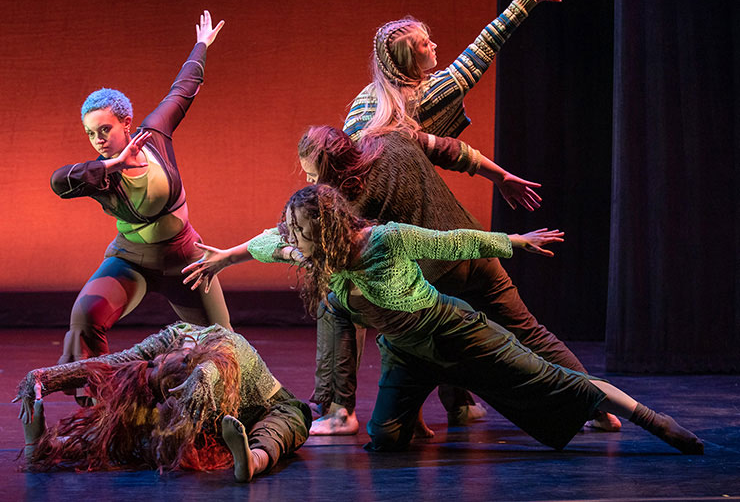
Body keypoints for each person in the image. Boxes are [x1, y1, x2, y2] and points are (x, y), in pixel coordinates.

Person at [184, 185, 704, 456]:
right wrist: (222, 258)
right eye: (291, 231)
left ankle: (653, 421)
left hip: (454, 331)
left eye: (299, 230)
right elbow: (264, 243)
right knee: (385, 441)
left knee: (552, 380)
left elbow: (453, 240)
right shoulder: (311, 253)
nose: (290, 239)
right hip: (407, 353)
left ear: (328, 229)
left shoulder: (384, 239)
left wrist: (516, 242)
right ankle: (416, 414)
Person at [290, 125, 620, 433]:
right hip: (477, 253)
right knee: (532, 334)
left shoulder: (349, 205)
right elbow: (450, 149)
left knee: (349, 310)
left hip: (438, 274)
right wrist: (501, 176)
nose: (309, 181)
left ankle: (345, 411)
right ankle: (602, 410)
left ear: (333, 172)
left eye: (313, 174)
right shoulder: (391, 139)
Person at [50, 11, 231, 380]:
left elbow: (182, 90)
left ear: (126, 123)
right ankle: (102, 411)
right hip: (130, 260)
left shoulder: (156, 134)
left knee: (222, 343)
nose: (98, 139)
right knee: (84, 317)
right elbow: (58, 182)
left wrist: (201, 45)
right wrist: (111, 166)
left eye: (104, 128)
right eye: (90, 133)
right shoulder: (99, 174)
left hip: (183, 258)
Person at [15, 322, 311, 481]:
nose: (151, 363)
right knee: (141, 436)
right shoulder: (173, 338)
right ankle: (51, 445)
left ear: (185, 360)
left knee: (288, 421)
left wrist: (203, 377)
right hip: (202, 419)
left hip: (268, 408)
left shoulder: (222, 344)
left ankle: (251, 461)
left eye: (155, 366)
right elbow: (116, 362)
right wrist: (44, 378)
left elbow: (223, 359)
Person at [343, 0, 565, 140]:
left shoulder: (365, 97)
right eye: (425, 44)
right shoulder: (429, 95)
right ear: (409, 58)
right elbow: (483, 47)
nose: (434, 45)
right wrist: (524, 1)